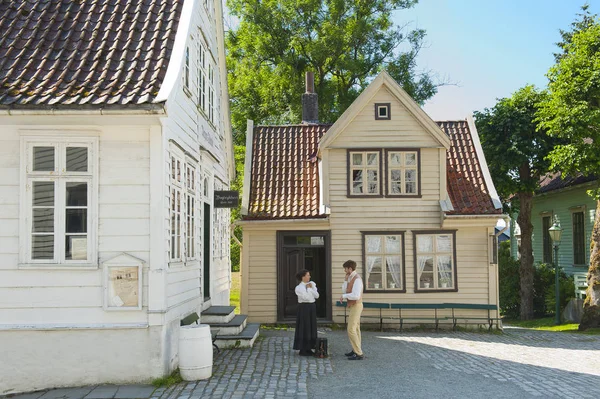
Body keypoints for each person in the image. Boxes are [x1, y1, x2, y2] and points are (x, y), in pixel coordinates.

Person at [339, 260, 364, 360]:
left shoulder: (357, 279)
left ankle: (358, 353)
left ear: (350, 268)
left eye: (345, 268)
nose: (344, 270)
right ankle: (355, 349)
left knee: (351, 329)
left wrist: (344, 296)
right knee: (356, 329)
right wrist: (345, 280)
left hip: (356, 305)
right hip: (354, 306)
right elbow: (344, 290)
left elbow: (356, 295)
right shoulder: (351, 278)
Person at [293, 269, 319, 356]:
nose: (309, 276)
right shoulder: (299, 288)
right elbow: (306, 298)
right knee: (304, 326)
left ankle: (310, 347)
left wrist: (311, 288)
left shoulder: (312, 284)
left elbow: (317, 295)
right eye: (308, 275)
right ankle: (303, 348)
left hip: (312, 306)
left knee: (311, 326)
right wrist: (308, 289)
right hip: (304, 307)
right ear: (303, 277)